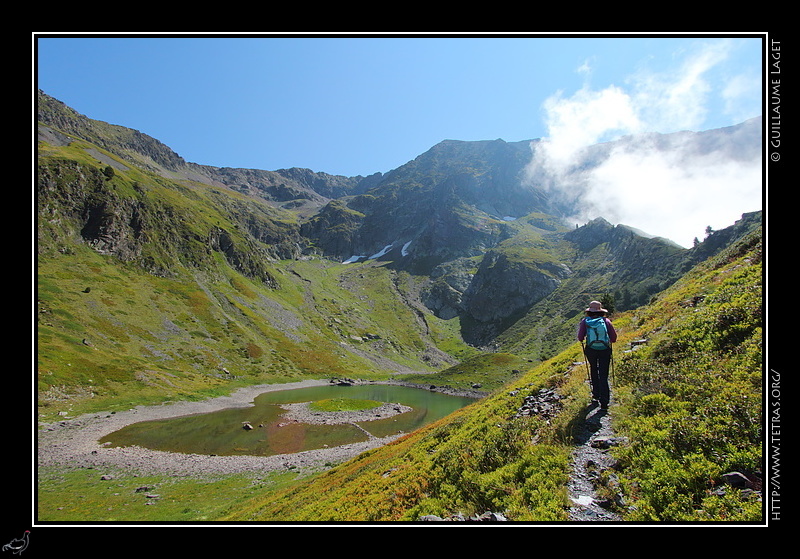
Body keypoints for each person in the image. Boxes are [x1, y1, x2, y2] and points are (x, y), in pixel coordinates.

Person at [577, 301, 617, 409]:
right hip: (604, 349)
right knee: (603, 374)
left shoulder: (585, 321)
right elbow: (613, 338)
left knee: (594, 369)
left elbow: (580, 337)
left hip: (591, 349)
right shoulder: (606, 321)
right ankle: (605, 401)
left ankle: (596, 394)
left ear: (589, 311)